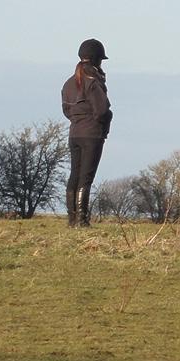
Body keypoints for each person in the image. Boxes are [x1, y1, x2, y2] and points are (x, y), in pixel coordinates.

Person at [61, 38, 113, 226]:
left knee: (74, 175)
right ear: (97, 60)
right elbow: (102, 110)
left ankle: (72, 219)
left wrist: (78, 120)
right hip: (92, 135)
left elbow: (66, 111)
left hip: (74, 133)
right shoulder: (93, 82)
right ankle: (82, 221)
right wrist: (104, 120)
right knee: (86, 178)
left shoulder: (68, 83)